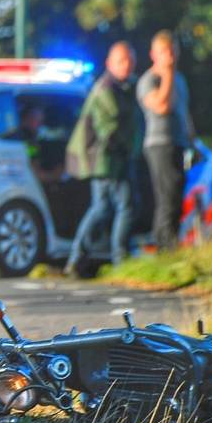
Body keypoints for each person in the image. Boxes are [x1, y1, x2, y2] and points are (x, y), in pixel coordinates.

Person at [63, 41, 141, 275]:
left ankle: (77, 258)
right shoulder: (107, 89)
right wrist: (129, 149)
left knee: (102, 207)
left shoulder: (121, 87)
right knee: (126, 206)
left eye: (130, 60)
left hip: (106, 159)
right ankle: (120, 259)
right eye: (122, 61)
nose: (127, 65)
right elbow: (112, 128)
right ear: (110, 63)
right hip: (106, 160)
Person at [137, 30, 194, 251]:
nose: (169, 57)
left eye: (172, 51)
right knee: (167, 196)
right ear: (154, 54)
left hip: (179, 144)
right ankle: (165, 243)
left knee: (177, 195)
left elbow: (183, 112)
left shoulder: (180, 80)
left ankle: (168, 242)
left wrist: (192, 141)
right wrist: (167, 73)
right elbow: (163, 106)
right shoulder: (149, 80)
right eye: (164, 52)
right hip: (159, 145)